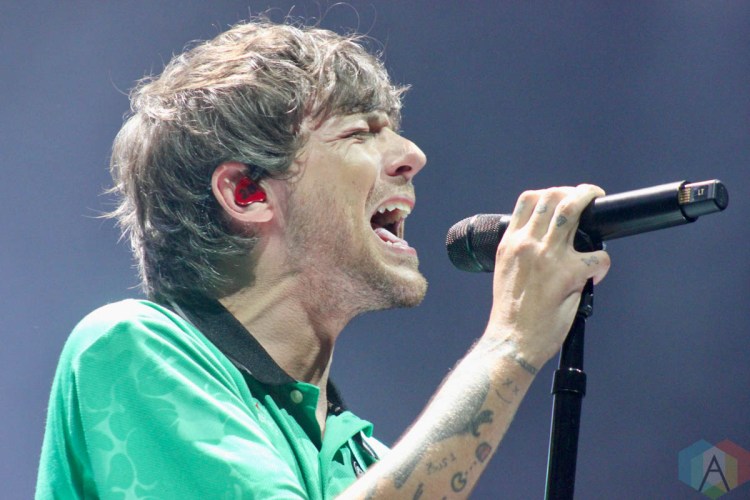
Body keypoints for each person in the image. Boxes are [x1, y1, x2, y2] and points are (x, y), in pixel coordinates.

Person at [36, 19, 610, 499]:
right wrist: (509, 344)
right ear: (247, 192)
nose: (413, 155)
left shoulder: (367, 459)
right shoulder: (128, 347)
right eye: (361, 132)